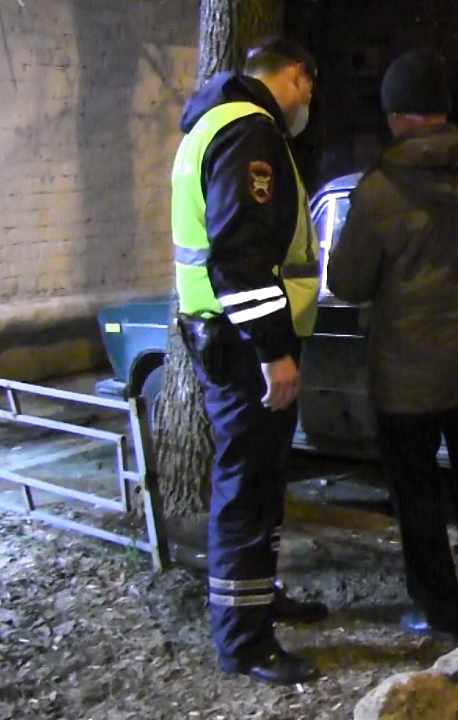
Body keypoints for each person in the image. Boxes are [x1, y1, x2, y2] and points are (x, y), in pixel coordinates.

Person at [327, 50, 458, 642]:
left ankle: (439, 610)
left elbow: (347, 281)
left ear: (397, 115)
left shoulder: (381, 191)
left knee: (418, 498)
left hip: (405, 378)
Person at [170, 36, 327, 685]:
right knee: (246, 491)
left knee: (258, 485)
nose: (308, 102)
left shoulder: (212, 124)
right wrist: (273, 350)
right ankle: (244, 640)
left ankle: (259, 600)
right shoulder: (249, 131)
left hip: (228, 339)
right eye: (309, 87)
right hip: (245, 349)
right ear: (294, 75)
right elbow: (239, 256)